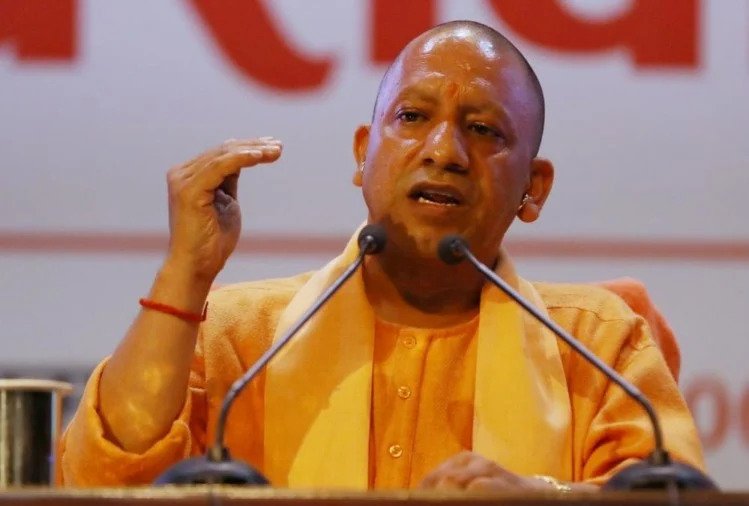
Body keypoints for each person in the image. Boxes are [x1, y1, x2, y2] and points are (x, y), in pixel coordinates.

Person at [60, 20, 705, 491]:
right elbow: (103, 482)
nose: (444, 151)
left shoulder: (597, 344)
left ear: (533, 189)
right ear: (362, 155)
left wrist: (540, 498)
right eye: (413, 117)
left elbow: (671, 493)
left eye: (483, 129)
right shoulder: (240, 338)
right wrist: (186, 271)